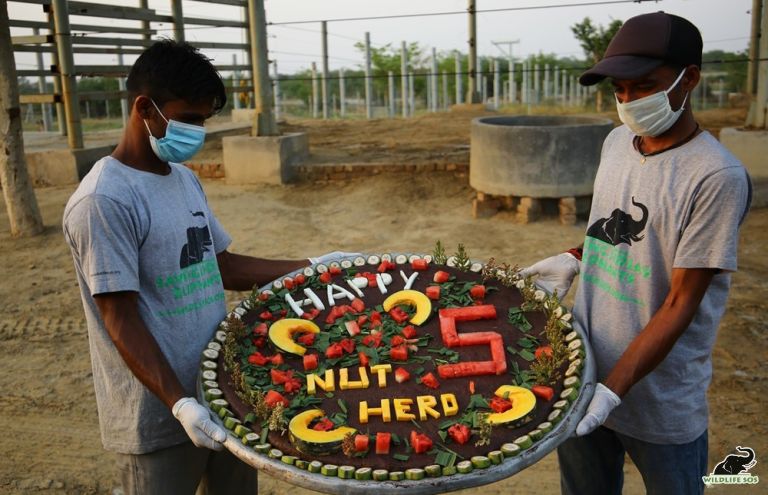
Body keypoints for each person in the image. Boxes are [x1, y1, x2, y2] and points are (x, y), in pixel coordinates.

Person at [62, 40, 348, 494]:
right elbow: (118, 315)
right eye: (189, 119)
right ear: (145, 108)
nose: (197, 132)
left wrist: (315, 267)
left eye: (203, 121)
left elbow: (224, 267)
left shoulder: (184, 181)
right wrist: (180, 404)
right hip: (159, 414)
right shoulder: (105, 200)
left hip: (223, 392)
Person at [520, 12, 752, 495]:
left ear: (689, 78)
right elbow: (615, 232)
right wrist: (574, 257)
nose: (629, 102)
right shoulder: (617, 143)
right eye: (620, 90)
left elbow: (681, 301)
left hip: (660, 398)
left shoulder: (714, 177)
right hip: (583, 372)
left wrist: (612, 391)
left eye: (645, 86)